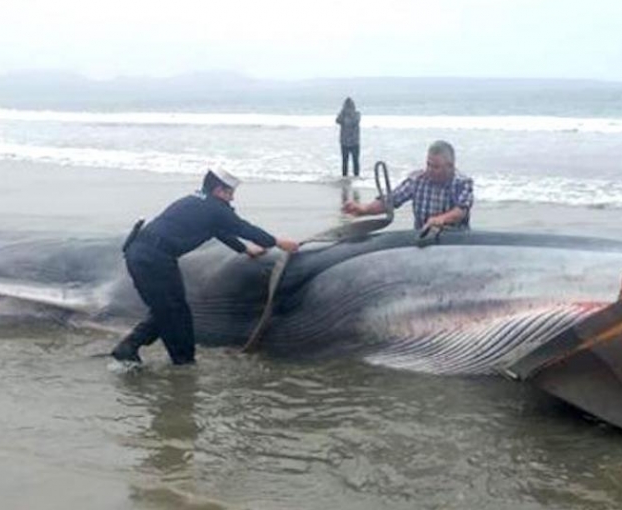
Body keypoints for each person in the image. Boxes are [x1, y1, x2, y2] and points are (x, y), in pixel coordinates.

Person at [111, 167, 300, 365]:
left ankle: (134, 348)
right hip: (153, 258)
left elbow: (218, 230)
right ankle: (180, 361)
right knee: (174, 311)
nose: (232, 199)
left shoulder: (196, 202)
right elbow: (243, 227)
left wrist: (244, 249)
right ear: (219, 190)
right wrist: (278, 242)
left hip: (143, 254)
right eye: (230, 193)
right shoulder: (214, 208)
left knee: (168, 309)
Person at [342, 140, 473, 232]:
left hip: (456, 241)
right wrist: (364, 209)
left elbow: (461, 210)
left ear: (450, 166)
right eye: (428, 164)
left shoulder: (462, 182)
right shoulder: (417, 180)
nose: (430, 170)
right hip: (423, 237)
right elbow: (391, 200)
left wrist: (441, 219)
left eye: (436, 167)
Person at [336, 97, 361, 177]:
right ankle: (344, 177)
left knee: (355, 161)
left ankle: (356, 177)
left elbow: (353, 122)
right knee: (344, 162)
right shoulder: (342, 115)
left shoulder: (357, 114)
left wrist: (348, 115)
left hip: (354, 142)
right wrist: (343, 113)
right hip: (344, 142)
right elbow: (337, 120)